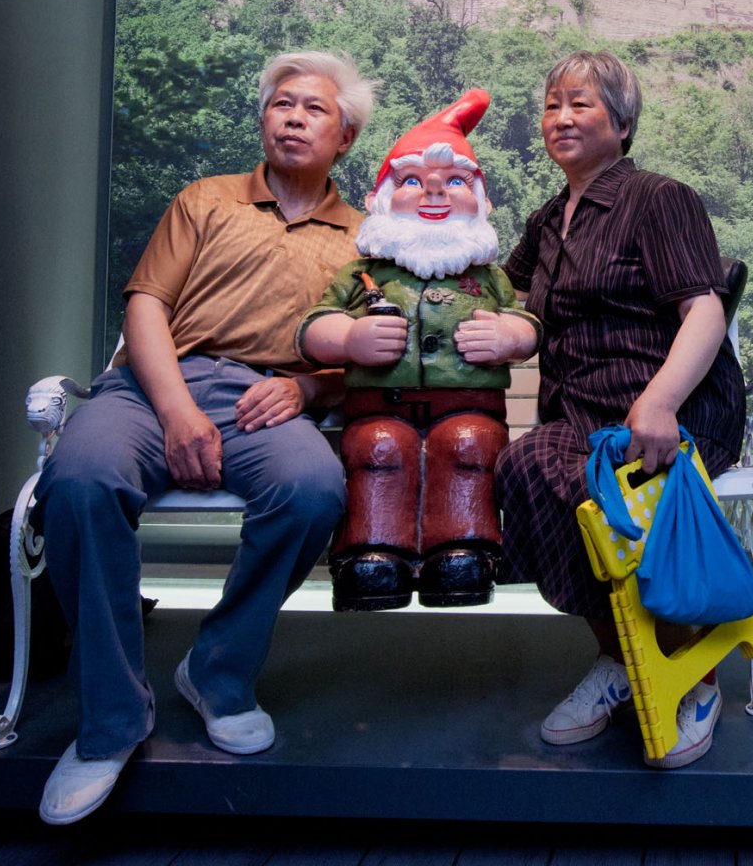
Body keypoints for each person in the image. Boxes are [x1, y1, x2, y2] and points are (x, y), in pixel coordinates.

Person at [33, 50, 375, 825]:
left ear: (345, 136)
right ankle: (109, 722)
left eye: (312, 108)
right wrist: (179, 410)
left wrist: (306, 387)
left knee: (314, 490)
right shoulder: (206, 199)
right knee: (80, 482)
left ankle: (217, 672)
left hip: (268, 398)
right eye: (280, 104)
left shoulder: (365, 237)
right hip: (155, 385)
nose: (291, 116)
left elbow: (361, 360)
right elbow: (146, 308)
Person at [472, 50, 745, 769]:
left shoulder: (659, 197)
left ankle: (695, 672)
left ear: (622, 125)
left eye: (581, 104)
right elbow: (495, 296)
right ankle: (620, 656)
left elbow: (704, 311)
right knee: (528, 466)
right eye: (552, 104)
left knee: (600, 483)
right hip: (581, 415)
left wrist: (657, 402)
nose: (560, 117)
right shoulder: (546, 219)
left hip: (667, 410)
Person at [298, 89, 541, 612]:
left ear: (482, 201)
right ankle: (372, 553)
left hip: (470, 407)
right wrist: (347, 338)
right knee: (380, 449)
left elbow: (526, 322)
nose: (435, 196)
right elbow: (314, 326)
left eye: (455, 182)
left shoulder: (487, 276)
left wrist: (511, 337)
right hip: (379, 409)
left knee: (470, 445)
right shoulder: (361, 274)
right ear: (382, 198)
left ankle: (464, 551)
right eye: (413, 183)